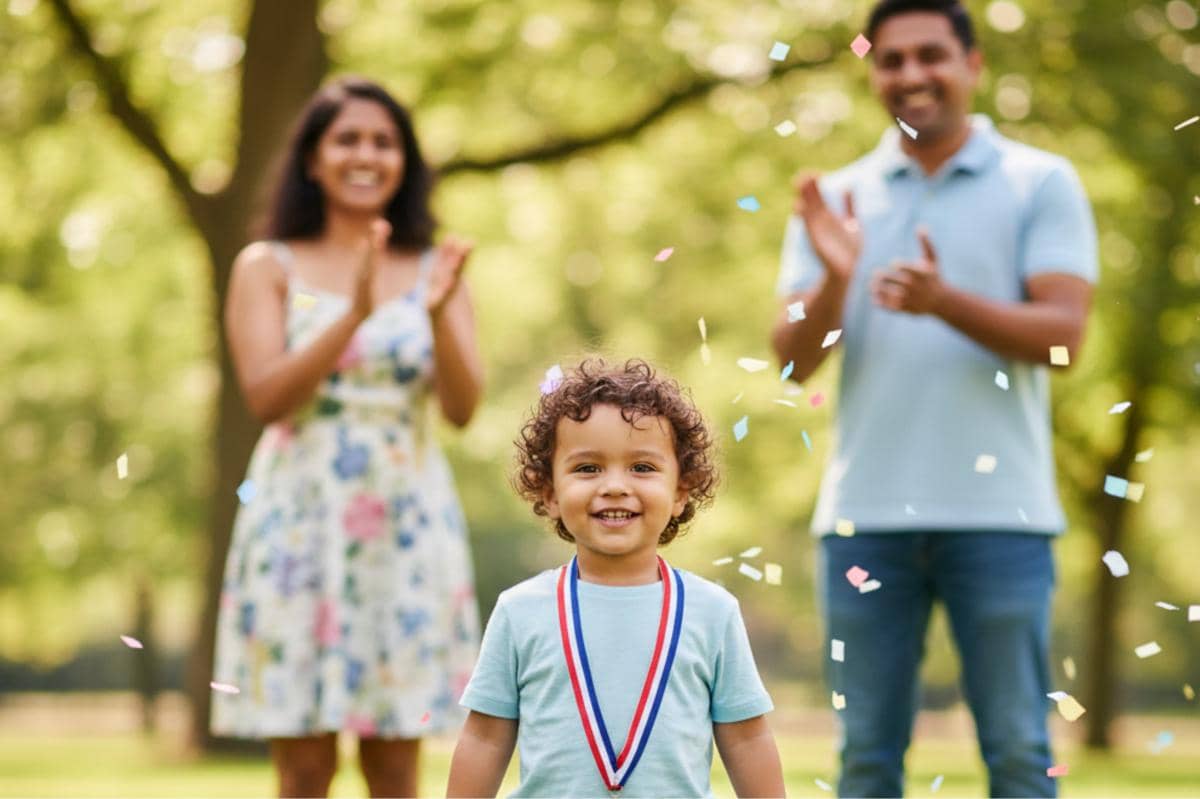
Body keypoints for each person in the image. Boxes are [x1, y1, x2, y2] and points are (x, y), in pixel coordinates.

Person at [770, 1, 1097, 796]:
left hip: (1002, 516)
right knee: (865, 760)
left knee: (1020, 752)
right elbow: (791, 365)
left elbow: (1065, 339)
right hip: (864, 519)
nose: (911, 75)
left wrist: (943, 301)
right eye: (890, 60)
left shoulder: (1040, 182)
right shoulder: (836, 199)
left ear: (973, 64)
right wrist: (839, 276)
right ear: (872, 72)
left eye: (930, 55)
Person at [210, 77, 483, 799]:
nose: (367, 154)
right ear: (313, 159)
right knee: (304, 767)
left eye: (384, 141)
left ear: (404, 163)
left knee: (395, 764)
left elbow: (462, 407)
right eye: (348, 139)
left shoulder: (435, 269)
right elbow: (268, 396)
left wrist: (441, 311)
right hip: (299, 519)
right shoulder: (267, 266)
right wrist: (354, 312)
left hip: (405, 520)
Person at [445, 358, 785, 798]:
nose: (615, 486)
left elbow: (747, 737)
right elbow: (484, 737)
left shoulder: (713, 612)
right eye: (588, 468)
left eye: (642, 468)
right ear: (549, 493)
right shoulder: (520, 610)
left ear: (681, 491)